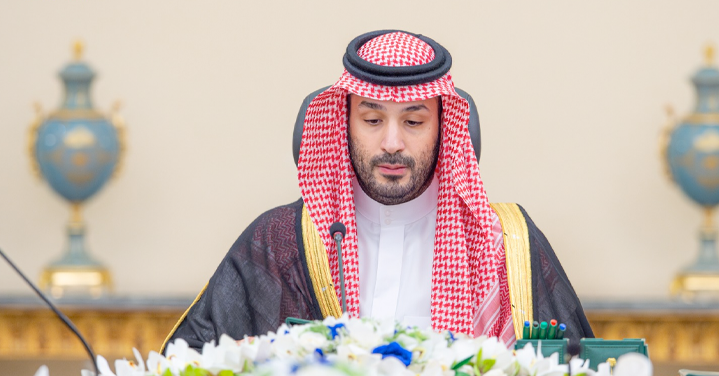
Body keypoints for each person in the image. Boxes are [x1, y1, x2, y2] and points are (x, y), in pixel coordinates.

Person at [163, 30, 593, 351]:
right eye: (372, 120)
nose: (391, 143)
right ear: (344, 124)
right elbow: (187, 366)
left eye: (413, 121)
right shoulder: (279, 240)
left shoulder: (502, 242)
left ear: (444, 129)